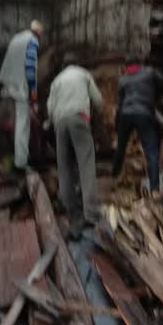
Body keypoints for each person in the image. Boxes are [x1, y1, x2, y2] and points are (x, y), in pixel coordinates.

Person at [47, 52, 103, 239]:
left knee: (65, 168)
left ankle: (73, 213)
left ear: (63, 66)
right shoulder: (83, 74)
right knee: (86, 165)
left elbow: (49, 108)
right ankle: (91, 214)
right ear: (76, 64)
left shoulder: (56, 81)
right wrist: (96, 114)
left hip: (60, 123)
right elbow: (98, 101)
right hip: (79, 118)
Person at [112, 55, 163, 192]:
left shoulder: (123, 80)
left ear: (126, 67)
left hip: (125, 115)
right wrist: (158, 93)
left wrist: (117, 124)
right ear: (140, 63)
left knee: (121, 147)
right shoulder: (150, 72)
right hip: (144, 113)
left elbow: (120, 104)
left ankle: (114, 173)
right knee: (151, 151)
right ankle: (155, 189)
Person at [0, 20, 43, 171]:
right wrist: (34, 91)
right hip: (20, 87)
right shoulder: (32, 41)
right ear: (38, 33)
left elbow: (7, 62)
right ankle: (21, 163)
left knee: (15, 123)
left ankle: (17, 156)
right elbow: (30, 67)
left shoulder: (16, 38)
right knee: (23, 126)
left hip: (8, 85)